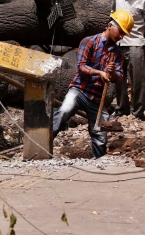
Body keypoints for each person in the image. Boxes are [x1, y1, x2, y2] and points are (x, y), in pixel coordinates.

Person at [53, 10, 134, 158]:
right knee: (64, 111)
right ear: (110, 26)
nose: (121, 36)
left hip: (97, 98)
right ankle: (41, 146)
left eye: (124, 34)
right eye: (120, 31)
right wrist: (100, 73)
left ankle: (99, 161)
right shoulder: (89, 42)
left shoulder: (117, 53)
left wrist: (113, 73)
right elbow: (82, 67)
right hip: (80, 90)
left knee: (100, 134)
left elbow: (119, 77)